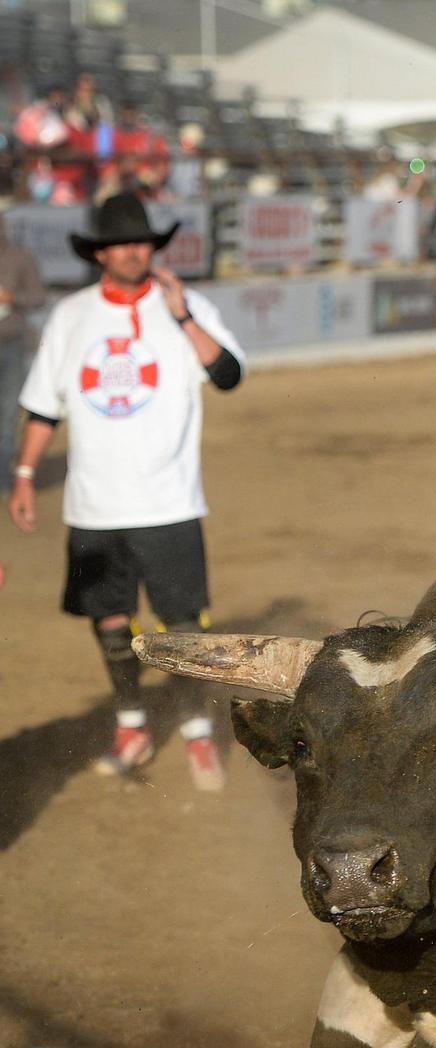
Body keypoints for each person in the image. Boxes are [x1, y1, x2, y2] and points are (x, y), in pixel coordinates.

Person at [6, 193, 245, 791]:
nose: (133, 250)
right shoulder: (71, 316)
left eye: (142, 241)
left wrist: (184, 316)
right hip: (94, 505)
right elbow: (41, 407)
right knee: (110, 623)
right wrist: (26, 477)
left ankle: (194, 732)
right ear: (100, 252)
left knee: (183, 628)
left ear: (153, 248)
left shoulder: (185, 306)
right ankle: (131, 725)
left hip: (170, 503)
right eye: (120, 242)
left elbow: (229, 376)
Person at [0, 215, 46, 489]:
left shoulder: (20, 258)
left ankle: (3, 478)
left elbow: (38, 297)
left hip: (11, 345)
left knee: (7, 414)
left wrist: (12, 297)